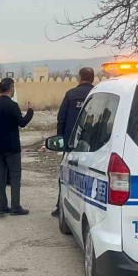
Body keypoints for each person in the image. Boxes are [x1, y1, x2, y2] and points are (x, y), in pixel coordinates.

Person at [51, 67, 95, 218]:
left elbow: (61, 119)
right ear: (93, 78)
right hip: (93, 145)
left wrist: (60, 140)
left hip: (71, 145)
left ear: (80, 78)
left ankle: (61, 206)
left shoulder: (71, 95)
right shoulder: (97, 94)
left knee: (65, 176)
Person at [0, 78, 34, 215]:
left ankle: (2, 205)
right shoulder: (12, 105)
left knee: (0, 176)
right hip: (11, 146)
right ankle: (15, 206)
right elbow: (22, 122)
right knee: (15, 175)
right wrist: (30, 111)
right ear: (10, 88)